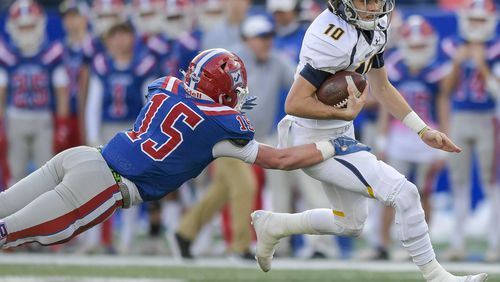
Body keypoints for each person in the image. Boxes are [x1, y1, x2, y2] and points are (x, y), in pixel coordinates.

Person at [0, 48, 367, 250]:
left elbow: (180, 107)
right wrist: (334, 144)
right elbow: (282, 159)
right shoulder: (223, 126)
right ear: (225, 88)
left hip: (82, 156)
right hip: (104, 184)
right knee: (8, 232)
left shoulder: (166, 85)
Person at [250, 1, 487, 282]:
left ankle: (275, 224)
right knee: (406, 193)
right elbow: (294, 102)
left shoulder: (376, 25)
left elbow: (382, 86)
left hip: (340, 130)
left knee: (350, 223)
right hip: (313, 138)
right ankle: (437, 277)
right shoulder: (328, 36)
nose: (373, 5)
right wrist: (339, 111)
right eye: (365, 0)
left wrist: (423, 131)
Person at [372, 15, 448, 260]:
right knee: (389, 194)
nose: (417, 51)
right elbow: (386, 105)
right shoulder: (393, 65)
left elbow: (443, 104)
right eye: (413, 46)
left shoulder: (437, 71)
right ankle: (381, 244)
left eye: (421, 46)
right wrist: (382, 139)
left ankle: (422, 248)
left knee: (425, 193)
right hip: (399, 137)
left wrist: (442, 143)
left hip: (427, 136)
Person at [437, 0, 500, 262]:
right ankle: (458, 243)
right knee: (458, 182)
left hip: (489, 118)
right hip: (461, 116)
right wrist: (457, 63)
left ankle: (495, 244)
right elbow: (445, 90)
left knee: (491, 182)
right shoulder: (454, 45)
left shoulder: (495, 48)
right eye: (472, 19)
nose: (475, 25)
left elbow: (496, 90)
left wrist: (482, 64)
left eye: (480, 20)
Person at [0, 0, 69, 186]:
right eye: (22, 27)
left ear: (40, 24)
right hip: (16, 117)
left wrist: (62, 123)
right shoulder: (6, 54)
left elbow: (61, 90)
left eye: (30, 26)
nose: (27, 32)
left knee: (47, 175)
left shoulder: (51, 52)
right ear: (12, 28)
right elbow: (1, 93)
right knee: (15, 176)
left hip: (42, 118)